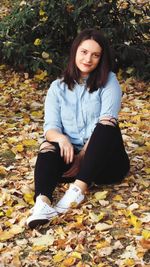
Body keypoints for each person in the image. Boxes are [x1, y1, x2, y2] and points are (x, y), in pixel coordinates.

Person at [26, 28, 130, 228]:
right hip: (71, 162)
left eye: (95, 55)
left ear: (101, 58)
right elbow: (50, 128)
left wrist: (83, 155)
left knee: (108, 124)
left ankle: (77, 191)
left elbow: (108, 119)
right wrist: (62, 139)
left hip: (107, 164)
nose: (88, 59)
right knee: (49, 144)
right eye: (84, 52)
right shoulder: (57, 87)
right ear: (75, 52)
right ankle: (43, 203)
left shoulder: (109, 81)